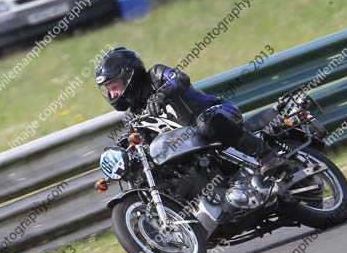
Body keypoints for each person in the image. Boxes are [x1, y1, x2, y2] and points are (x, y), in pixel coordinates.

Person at [95, 47, 284, 175]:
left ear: (130, 76)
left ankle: (266, 155)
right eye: (109, 90)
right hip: (194, 146)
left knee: (206, 124)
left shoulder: (156, 75)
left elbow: (180, 78)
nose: (113, 94)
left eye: (114, 86)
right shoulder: (132, 115)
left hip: (217, 112)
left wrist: (162, 95)